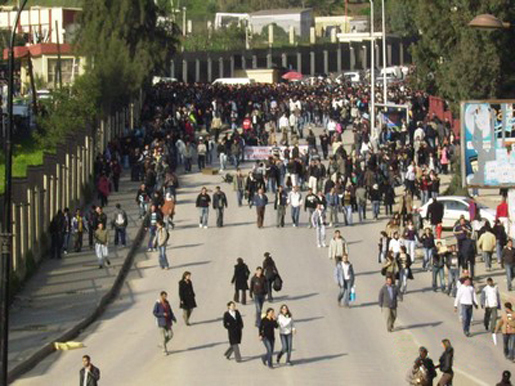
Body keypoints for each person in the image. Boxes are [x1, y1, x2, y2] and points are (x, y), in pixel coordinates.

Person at [152, 291, 177, 355]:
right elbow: (154, 312)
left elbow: (170, 311)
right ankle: (164, 350)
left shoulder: (167, 302)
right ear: (161, 296)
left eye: (166, 296)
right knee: (163, 337)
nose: (165, 297)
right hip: (161, 322)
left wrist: (173, 318)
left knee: (171, 335)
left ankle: (162, 344)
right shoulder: (158, 303)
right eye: (164, 296)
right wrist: (162, 314)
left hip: (168, 321)